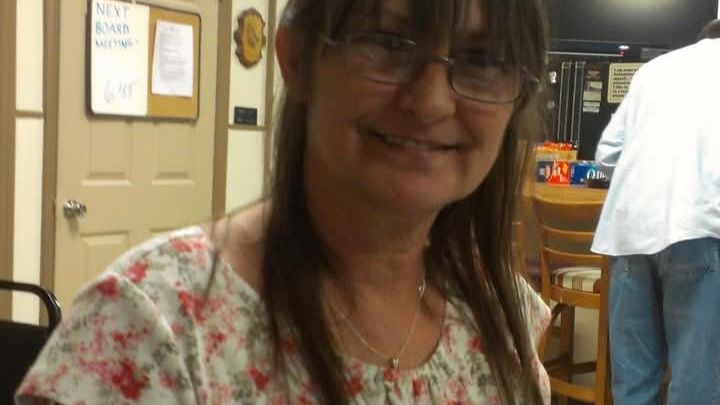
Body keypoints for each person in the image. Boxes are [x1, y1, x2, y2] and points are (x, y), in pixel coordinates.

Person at [16, 0, 552, 403]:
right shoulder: (152, 326)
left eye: (482, 60)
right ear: (297, 58)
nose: (431, 101)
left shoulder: (502, 317)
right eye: (389, 44)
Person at [591, 18, 720, 405]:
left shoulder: (653, 70)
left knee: (633, 385)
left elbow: (606, 154)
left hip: (628, 231)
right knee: (694, 383)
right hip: (698, 228)